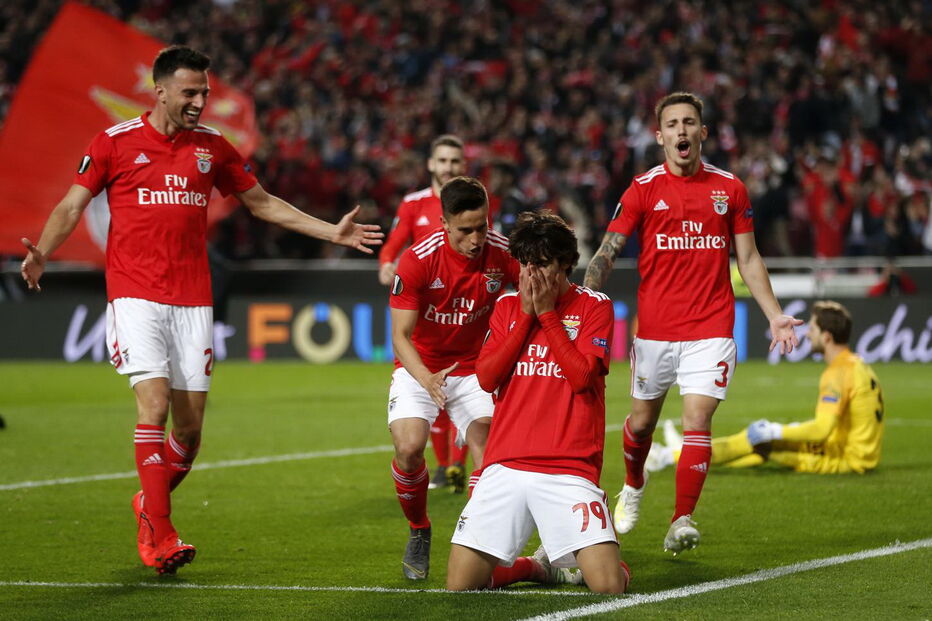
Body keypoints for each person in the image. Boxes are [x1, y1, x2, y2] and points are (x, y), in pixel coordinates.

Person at [19, 46, 382, 575]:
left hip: (192, 300)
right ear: (160, 91)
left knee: (189, 434)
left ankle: (149, 501)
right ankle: (161, 534)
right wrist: (44, 253)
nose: (200, 102)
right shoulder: (114, 143)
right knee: (154, 404)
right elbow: (73, 204)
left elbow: (261, 203)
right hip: (135, 295)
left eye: (204, 93)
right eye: (190, 92)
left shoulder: (213, 148)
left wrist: (332, 232)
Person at [583, 91, 802, 555]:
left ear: (702, 132)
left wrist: (774, 314)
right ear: (659, 136)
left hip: (711, 327)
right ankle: (634, 483)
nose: (680, 130)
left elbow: (748, 258)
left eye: (688, 123)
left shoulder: (730, 189)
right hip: (655, 331)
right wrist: (585, 301)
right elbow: (608, 251)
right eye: (672, 124)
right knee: (641, 424)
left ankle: (681, 518)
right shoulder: (642, 189)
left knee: (697, 418)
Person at [447, 211, 628, 594]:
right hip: (505, 464)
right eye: (525, 264)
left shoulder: (595, 307)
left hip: (568, 468)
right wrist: (528, 317)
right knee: (460, 586)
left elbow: (581, 378)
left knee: (608, 587)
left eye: (542, 264)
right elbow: (486, 378)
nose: (531, 274)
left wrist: (546, 315)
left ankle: (604, 549)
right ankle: (535, 567)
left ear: (565, 264)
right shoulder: (507, 307)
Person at [387, 176, 519, 580]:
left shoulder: (502, 252)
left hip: (475, 368)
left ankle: (476, 541)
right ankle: (419, 528)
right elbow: (400, 336)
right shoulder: (418, 260)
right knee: (409, 448)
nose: (476, 239)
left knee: (489, 453)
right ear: (444, 223)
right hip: (421, 367)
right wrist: (427, 379)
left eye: (482, 226)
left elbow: (535, 295)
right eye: (465, 230)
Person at [648, 301, 884, 475]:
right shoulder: (858, 365)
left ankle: (670, 456)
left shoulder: (838, 373)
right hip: (860, 454)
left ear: (827, 337)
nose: (808, 334)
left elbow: (822, 430)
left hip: (845, 459)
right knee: (760, 442)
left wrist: (775, 431)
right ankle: (680, 454)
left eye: (812, 329)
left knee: (760, 440)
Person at [379, 135, 471, 492]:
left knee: (463, 381)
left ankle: (457, 465)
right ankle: (445, 465)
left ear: (463, 166)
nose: (448, 167)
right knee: (429, 380)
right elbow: (393, 244)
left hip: (463, 307)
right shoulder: (413, 204)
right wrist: (387, 264)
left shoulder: (473, 203)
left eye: (455, 161)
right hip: (424, 307)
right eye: (443, 161)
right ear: (431, 164)